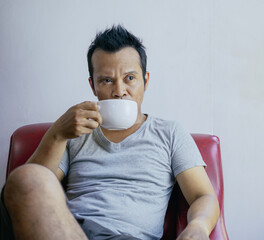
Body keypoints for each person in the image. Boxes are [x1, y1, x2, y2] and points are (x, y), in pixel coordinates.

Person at [0, 25, 219, 240]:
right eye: (106, 80)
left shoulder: (170, 133)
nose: (119, 91)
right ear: (93, 86)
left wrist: (198, 226)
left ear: (146, 80)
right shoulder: (73, 132)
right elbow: (29, 190)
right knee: (23, 177)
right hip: (71, 233)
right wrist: (57, 134)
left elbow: (204, 195)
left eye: (130, 78)